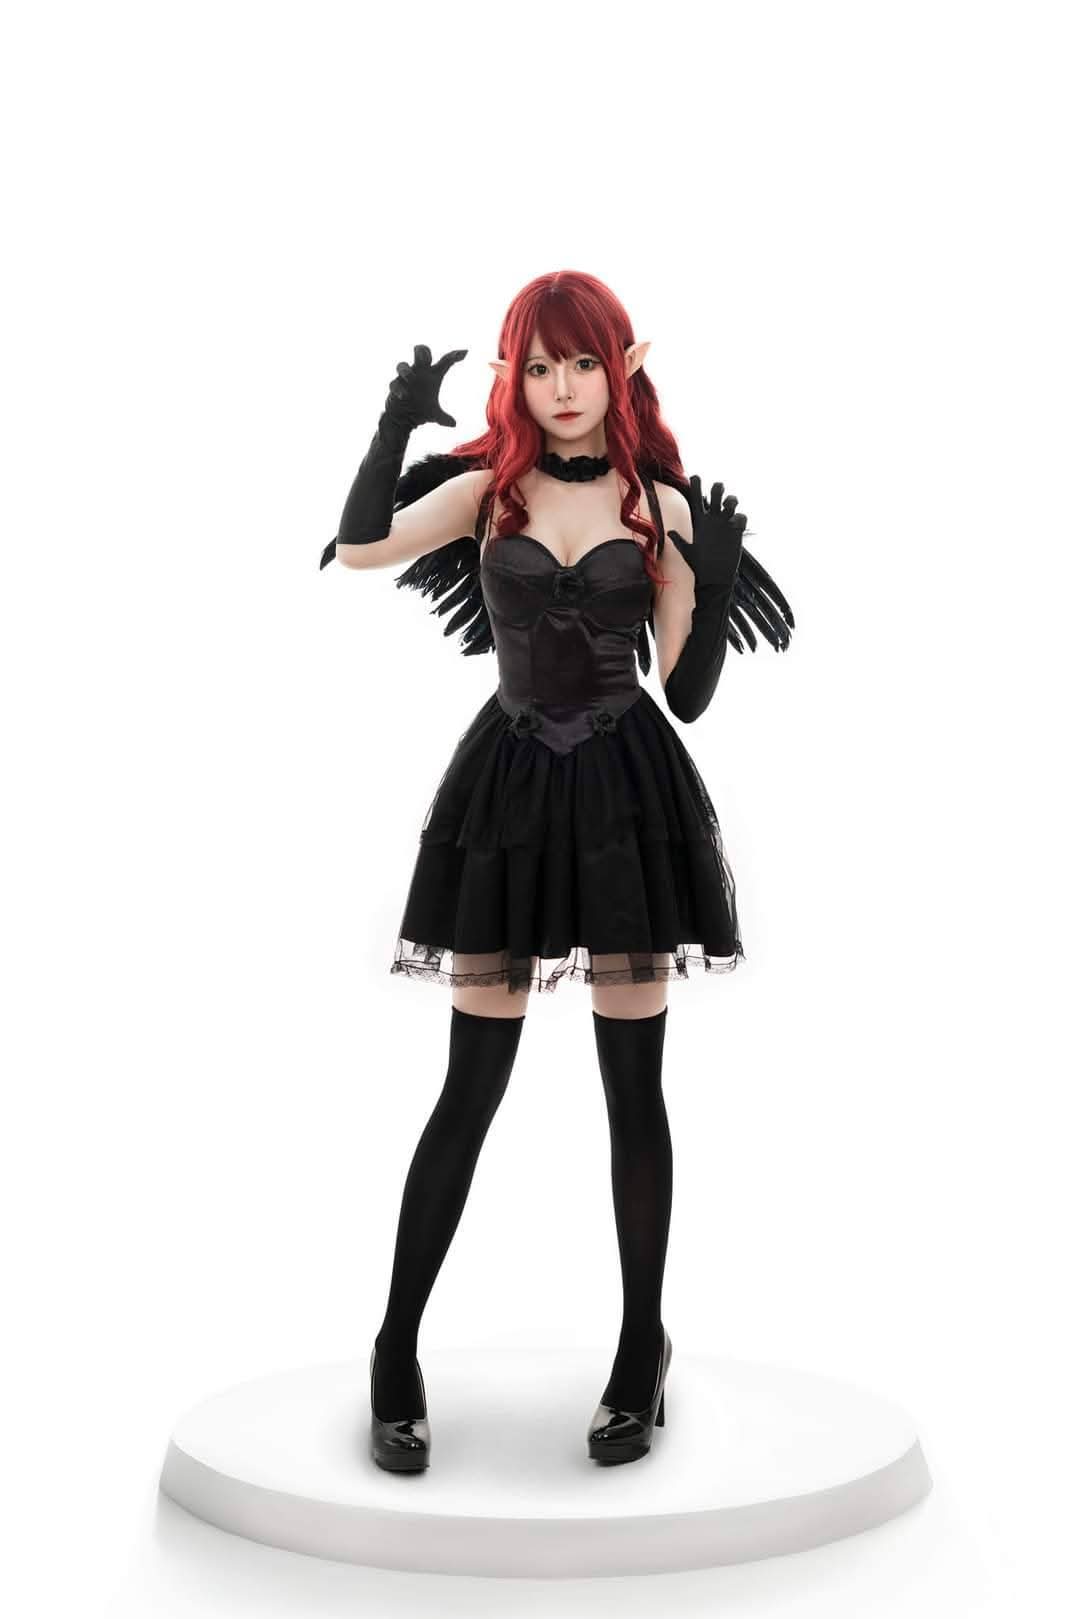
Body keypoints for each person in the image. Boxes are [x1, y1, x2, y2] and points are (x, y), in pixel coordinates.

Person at [320, 270, 794, 1471]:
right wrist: (392, 429)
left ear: (622, 366)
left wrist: (713, 580)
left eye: (581, 362)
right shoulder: (489, 493)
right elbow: (362, 545)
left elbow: (685, 693)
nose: (562, 387)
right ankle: (393, 1348)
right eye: (539, 365)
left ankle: (643, 1349)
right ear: (514, 378)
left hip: (629, 800)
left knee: (634, 1092)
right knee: (469, 1087)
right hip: (513, 796)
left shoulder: (660, 507)